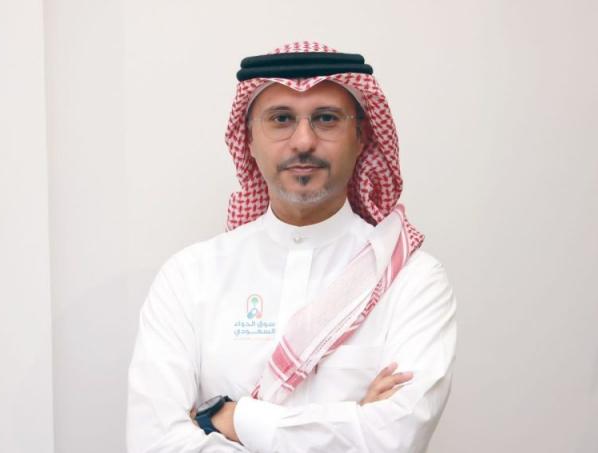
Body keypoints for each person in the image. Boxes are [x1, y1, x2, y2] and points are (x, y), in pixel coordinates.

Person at [126, 41, 458, 453]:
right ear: (249, 139)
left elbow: (395, 440)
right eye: (281, 119)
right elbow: (154, 442)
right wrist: (354, 420)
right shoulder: (188, 277)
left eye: (326, 119)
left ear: (360, 138)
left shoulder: (413, 280)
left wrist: (235, 419)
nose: (303, 141)